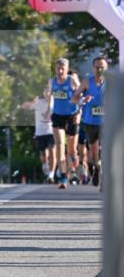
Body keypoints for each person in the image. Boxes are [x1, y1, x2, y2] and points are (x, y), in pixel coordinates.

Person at [45, 58, 80, 190]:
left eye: (62, 69)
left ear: (67, 69)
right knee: (60, 146)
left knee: (71, 150)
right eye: (58, 68)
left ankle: (74, 163)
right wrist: (49, 110)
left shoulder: (72, 80)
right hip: (58, 116)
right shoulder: (52, 81)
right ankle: (63, 177)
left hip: (72, 116)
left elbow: (81, 95)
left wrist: (79, 113)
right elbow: (50, 97)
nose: (60, 71)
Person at [72, 55, 107, 188]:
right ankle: (97, 169)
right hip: (90, 122)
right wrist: (82, 100)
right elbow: (74, 98)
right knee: (93, 154)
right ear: (93, 68)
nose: (99, 69)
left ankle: (104, 177)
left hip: (106, 122)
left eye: (102, 67)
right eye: (97, 67)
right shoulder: (87, 82)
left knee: (105, 150)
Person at [19, 94, 55, 182]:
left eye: (49, 92)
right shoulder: (39, 102)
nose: (48, 94)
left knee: (52, 151)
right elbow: (23, 106)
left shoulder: (56, 102)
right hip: (40, 133)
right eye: (46, 91)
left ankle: (51, 174)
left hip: (52, 131)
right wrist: (32, 102)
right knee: (43, 154)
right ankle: (45, 164)